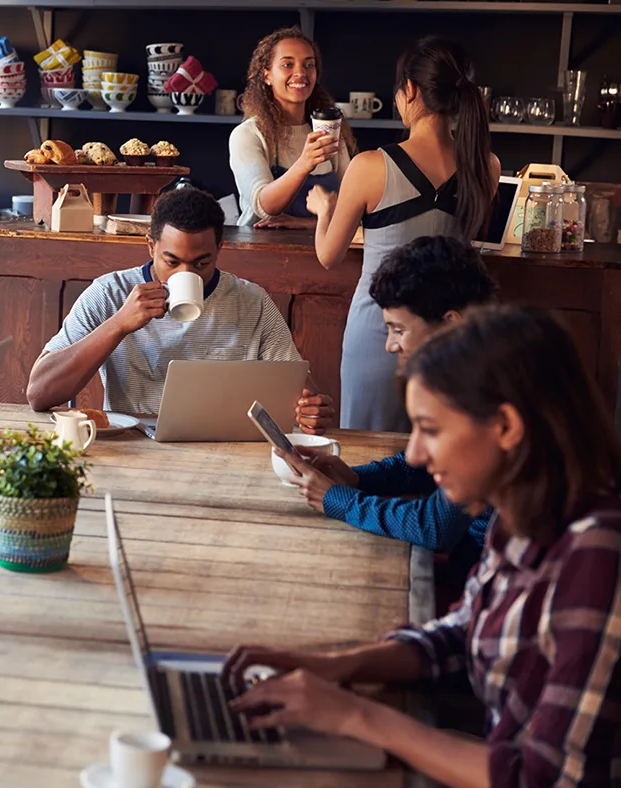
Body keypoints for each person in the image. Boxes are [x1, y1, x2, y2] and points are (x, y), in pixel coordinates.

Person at [228, 306, 621, 786]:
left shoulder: (598, 557)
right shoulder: (520, 512)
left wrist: (356, 716)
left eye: (430, 429)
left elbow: (539, 779)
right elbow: (462, 633)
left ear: (506, 427)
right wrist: (334, 665)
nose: (414, 453)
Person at [307, 36, 500, 432]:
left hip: (380, 331)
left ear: (409, 90)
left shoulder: (369, 166)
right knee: (434, 455)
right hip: (446, 334)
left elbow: (329, 255)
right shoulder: (488, 166)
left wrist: (326, 210)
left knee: (367, 456)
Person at [276, 236, 497, 582]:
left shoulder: (487, 395)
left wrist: (338, 499)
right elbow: (425, 470)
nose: (390, 345)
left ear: (451, 323)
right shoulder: (479, 367)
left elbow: (436, 526)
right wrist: (358, 478)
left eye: (399, 329)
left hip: (479, 582)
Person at [26, 187, 335, 432]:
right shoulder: (110, 294)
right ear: (150, 246)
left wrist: (310, 411)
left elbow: (300, 394)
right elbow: (40, 393)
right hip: (133, 449)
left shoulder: (251, 302)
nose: (185, 274)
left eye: (202, 263)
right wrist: (118, 324)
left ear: (219, 251)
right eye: (171, 262)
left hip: (224, 452)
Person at [229, 27, 356, 229]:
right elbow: (265, 206)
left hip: (322, 251)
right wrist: (305, 162)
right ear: (266, 76)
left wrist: (304, 223)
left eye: (309, 65)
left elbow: (351, 207)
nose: (300, 73)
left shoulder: (329, 131)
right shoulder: (248, 134)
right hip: (259, 252)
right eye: (288, 64)